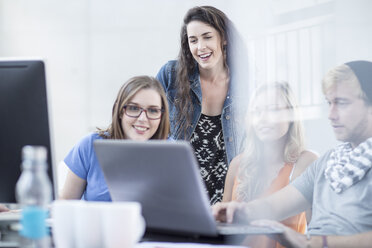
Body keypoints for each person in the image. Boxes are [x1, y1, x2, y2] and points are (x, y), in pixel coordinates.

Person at [212, 60, 372, 247]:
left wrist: (312, 242)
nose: (331, 114)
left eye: (342, 103)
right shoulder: (329, 163)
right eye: (329, 103)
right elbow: (273, 205)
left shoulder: (310, 161)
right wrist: (239, 211)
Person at [156, 6, 248, 204]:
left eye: (207, 37)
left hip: (226, 199)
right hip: (176, 193)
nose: (200, 47)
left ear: (223, 38)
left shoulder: (245, 83)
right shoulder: (170, 75)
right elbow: (147, 120)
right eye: (193, 40)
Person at [222, 82, 318, 248]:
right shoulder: (238, 164)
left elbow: (318, 233)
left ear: (291, 115)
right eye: (256, 112)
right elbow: (223, 227)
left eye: (273, 110)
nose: (263, 119)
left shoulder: (306, 162)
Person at [59, 76, 170, 201]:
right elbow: (65, 203)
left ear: (162, 115)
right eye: (133, 108)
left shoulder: (173, 153)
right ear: (120, 111)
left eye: (153, 110)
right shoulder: (90, 145)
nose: (143, 119)